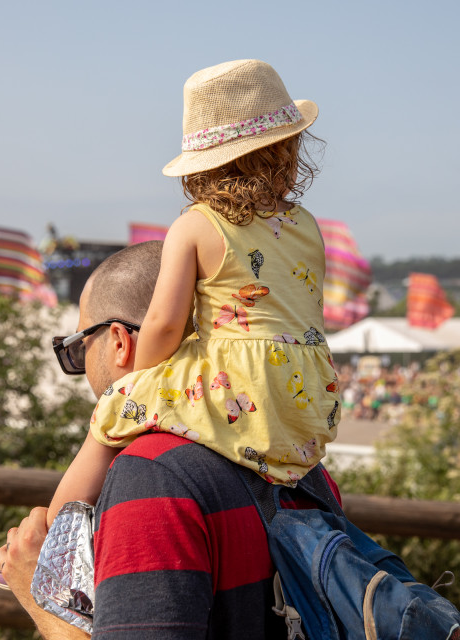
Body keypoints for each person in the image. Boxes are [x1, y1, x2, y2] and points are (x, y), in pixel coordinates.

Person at [0, 240, 344, 639]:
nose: (80, 364)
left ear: (119, 341)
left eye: (80, 346)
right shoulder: (303, 467)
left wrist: (41, 593)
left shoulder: (151, 475)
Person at [46, 58, 341, 530]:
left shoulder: (196, 225)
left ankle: (51, 540)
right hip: (308, 393)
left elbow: (163, 324)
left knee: (108, 421)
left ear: (202, 166)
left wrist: (135, 383)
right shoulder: (306, 225)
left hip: (244, 385)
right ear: (287, 150)